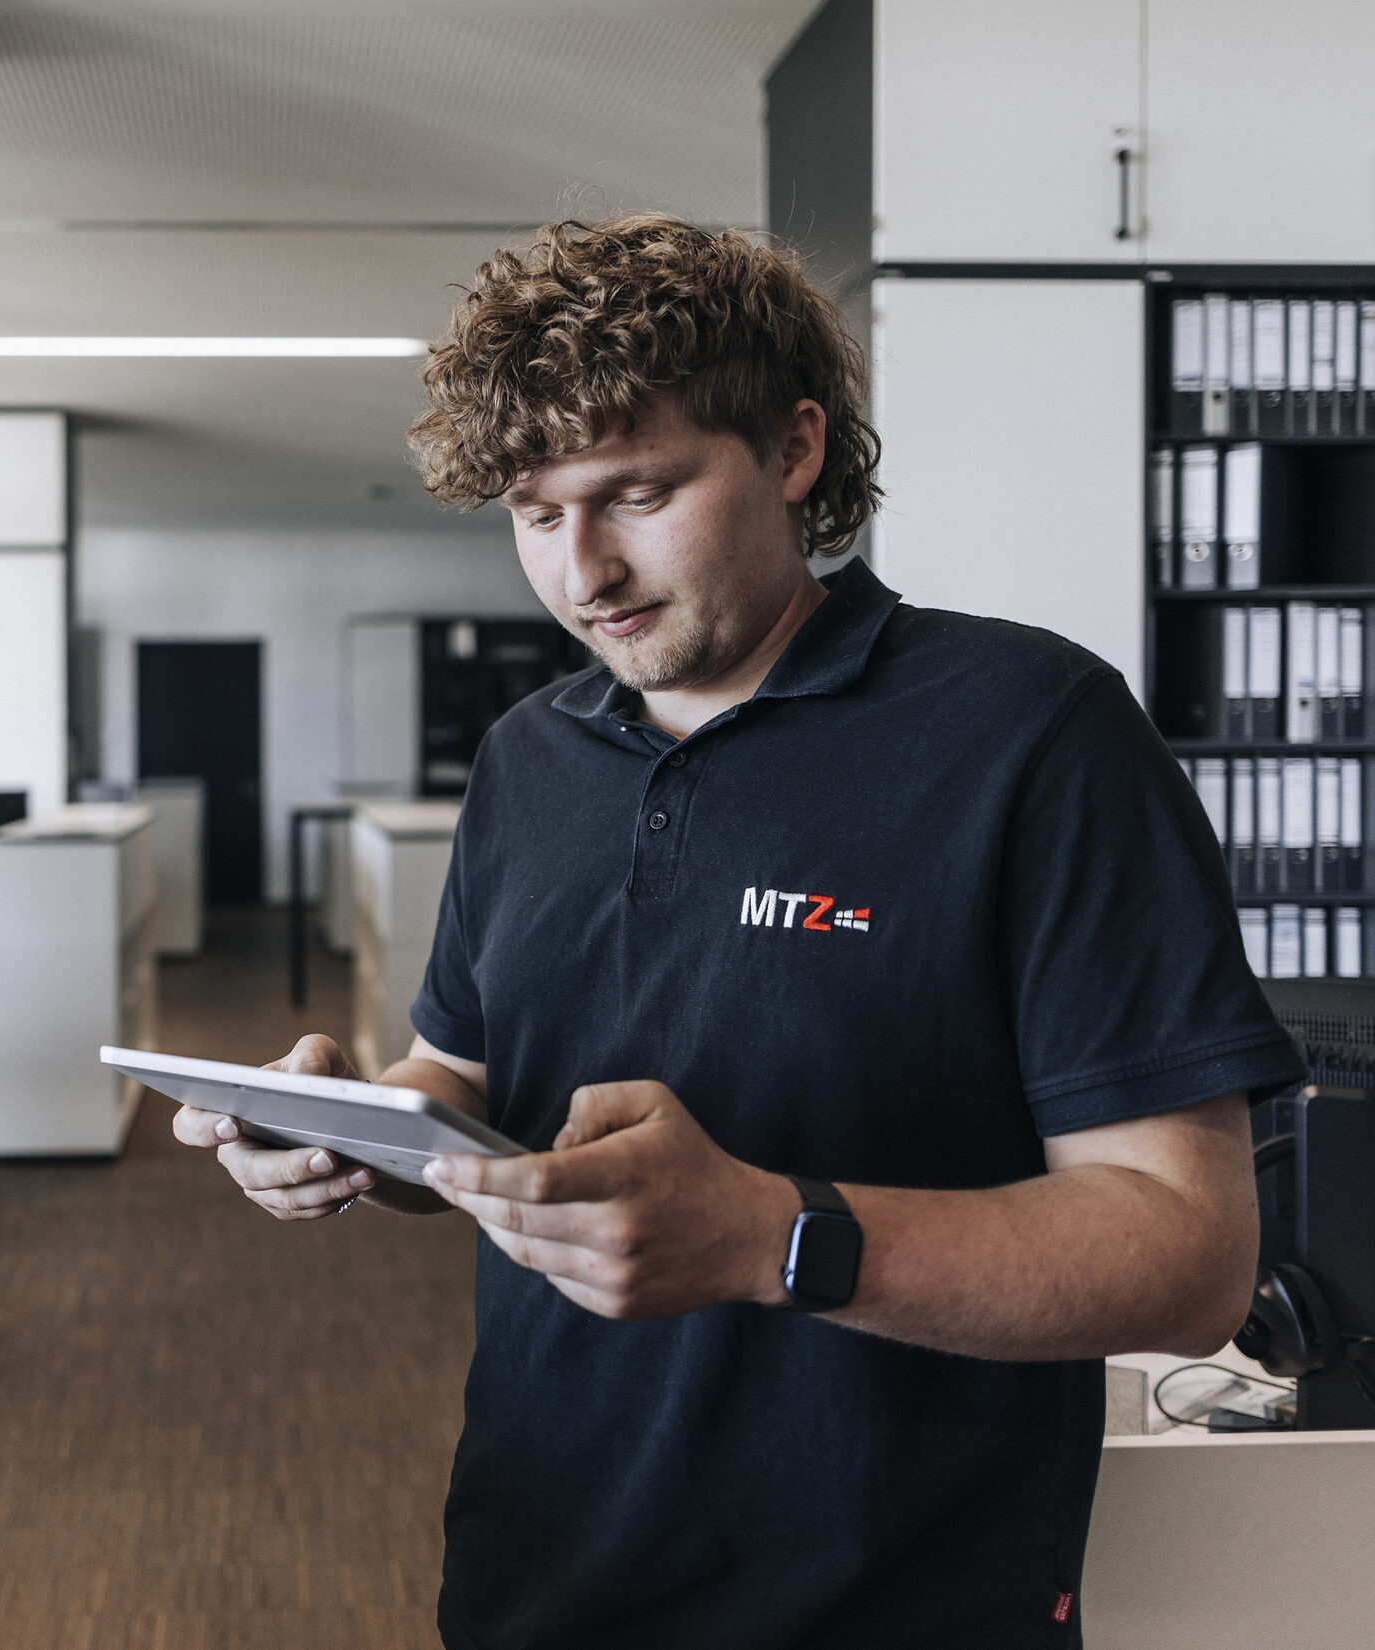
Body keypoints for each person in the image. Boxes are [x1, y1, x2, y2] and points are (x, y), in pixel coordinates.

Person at [175, 216, 1304, 1648]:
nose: (583, 573)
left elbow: (1189, 1256)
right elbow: (465, 1085)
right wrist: (352, 1128)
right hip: (539, 1567)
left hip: (894, 1600)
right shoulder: (529, 758)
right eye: (535, 515)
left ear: (794, 449)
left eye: (636, 494)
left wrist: (776, 1237)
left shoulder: (1031, 731)